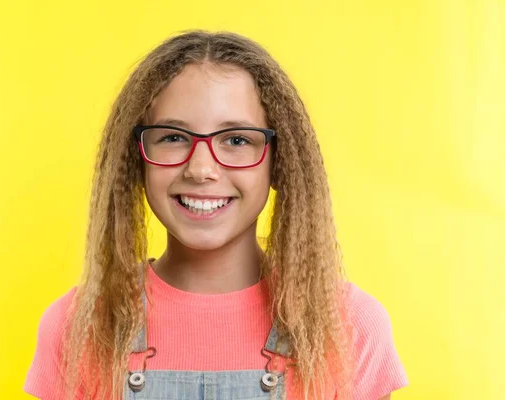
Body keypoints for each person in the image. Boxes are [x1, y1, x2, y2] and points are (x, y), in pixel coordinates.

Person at [23, 30, 408, 400]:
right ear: (135, 160)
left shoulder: (349, 326)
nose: (201, 168)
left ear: (280, 162)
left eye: (237, 140)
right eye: (173, 137)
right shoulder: (77, 328)